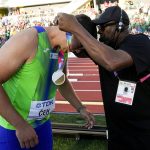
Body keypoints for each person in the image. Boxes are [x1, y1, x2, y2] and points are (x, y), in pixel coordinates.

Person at [57, 6, 150, 150]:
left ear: (120, 26)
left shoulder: (139, 42)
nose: (100, 31)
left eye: (103, 26)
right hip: (118, 135)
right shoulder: (104, 49)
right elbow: (76, 48)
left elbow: (112, 61)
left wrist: (76, 27)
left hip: (143, 134)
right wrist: (78, 29)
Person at [0, 14, 95, 150]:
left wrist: (80, 108)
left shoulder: (64, 48)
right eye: (80, 45)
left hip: (42, 124)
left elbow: (60, 80)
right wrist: (20, 125)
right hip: (13, 128)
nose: (78, 50)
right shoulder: (29, 39)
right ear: (71, 31)